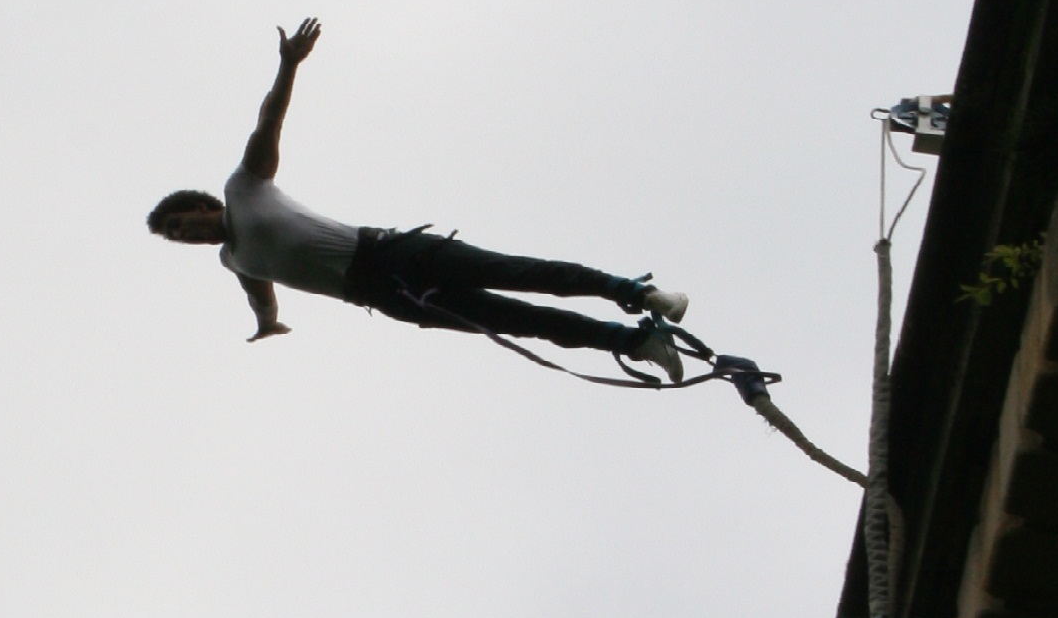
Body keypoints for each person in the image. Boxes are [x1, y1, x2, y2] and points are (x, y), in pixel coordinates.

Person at [147, 20, 692, 381]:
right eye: (174, 237)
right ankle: (638, 343)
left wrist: (289, 64)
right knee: (520, 320)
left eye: (179, 224)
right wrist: (267, 324)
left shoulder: (242, 188)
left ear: (198, 207)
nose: (183, 236)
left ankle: (640, 295)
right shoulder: (234, 260)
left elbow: (271, 120)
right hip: (388, 296)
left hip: (393, 255)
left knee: (522, 273)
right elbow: (261, 295)